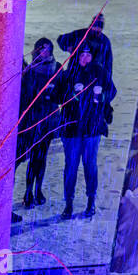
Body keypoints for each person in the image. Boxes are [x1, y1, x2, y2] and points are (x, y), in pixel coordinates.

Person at [53, 44, 117, 219]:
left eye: (88, 55)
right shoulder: (67, 74)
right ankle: (69, 204)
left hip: (92, 128)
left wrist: (101, 95)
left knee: (90, 166)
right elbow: (57, 97)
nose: (84, 59)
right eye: (81, 55)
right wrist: (72, 93)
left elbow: (112, 92)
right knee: (71, 167)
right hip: (72, 129)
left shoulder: (100, 72)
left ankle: (91, 201)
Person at [16, 37, 61, 208]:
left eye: (46, 50)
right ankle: (28, 191)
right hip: (32, 120)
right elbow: (24, 95)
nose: (43, 53)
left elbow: (61, 92)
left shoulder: (56, 68)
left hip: (48, 120)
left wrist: (52, 96)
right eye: (41, 50)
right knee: (31, 155)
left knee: (41, 158)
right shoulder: (29, 70)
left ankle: (38, 189)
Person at [58, 12, 113, 81]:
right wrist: (67, 48)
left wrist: (107, 80)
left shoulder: (104, 42)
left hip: (93, 74)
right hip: (75, 71)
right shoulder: (80, 34)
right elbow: (61, 39)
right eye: (94, 27)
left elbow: (108, 63)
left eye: (98, 28)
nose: (96, 30)